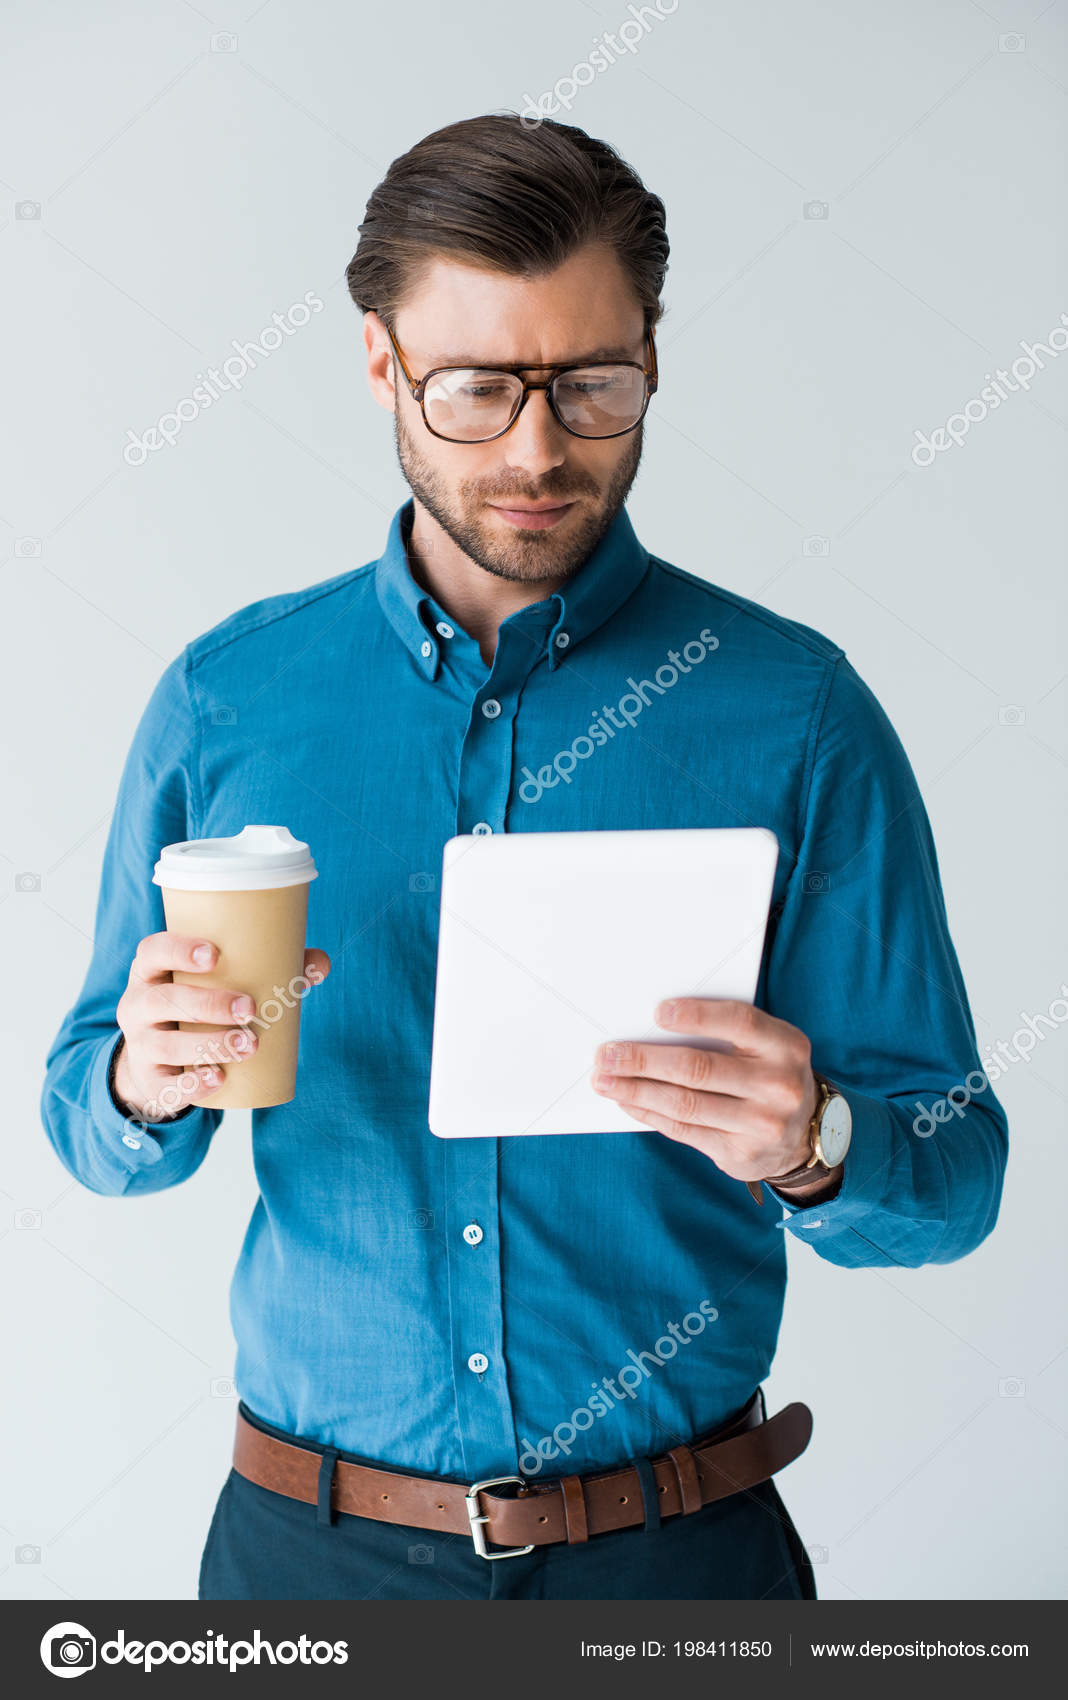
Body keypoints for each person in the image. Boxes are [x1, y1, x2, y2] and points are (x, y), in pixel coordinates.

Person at [41, 114, 1008, 1602]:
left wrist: (815, 1141)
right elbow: (85, 1111)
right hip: (308, 1567)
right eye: (480, 387)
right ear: (381, 366)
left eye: (595, 386)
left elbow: (953, 1173)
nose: (541, 450)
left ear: (656, 357)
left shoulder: (798, 713)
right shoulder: (227, 699)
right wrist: (135, 1080)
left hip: (679, 1569)